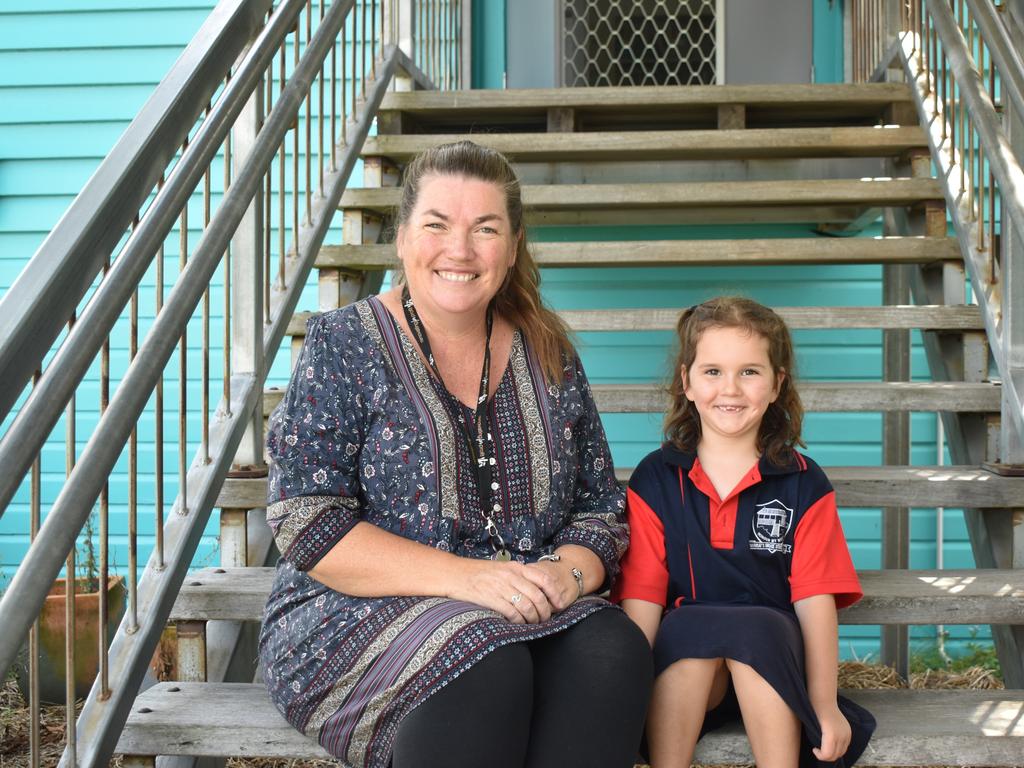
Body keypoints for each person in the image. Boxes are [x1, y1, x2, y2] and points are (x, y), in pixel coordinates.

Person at [258, 140, 652, 768]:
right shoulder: (344, 344)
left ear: (513, 245)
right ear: (404, 238)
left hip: (531, 602)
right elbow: (308, 523)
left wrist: (566, 574)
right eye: (437, 225)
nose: (460, 250)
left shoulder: (548, 352)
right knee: (481, 662)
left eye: (485, 228)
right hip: (362, 614)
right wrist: (471, 581)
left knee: (613, 651)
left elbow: (600, 510)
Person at [613, 297, 875, 768]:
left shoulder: (802, 481)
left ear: (777, 385)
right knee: (688, 625)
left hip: (774, 666)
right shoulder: (656, 479)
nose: (729, 388)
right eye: (712, 371)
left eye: (749, 372)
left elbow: (814, 601)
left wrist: (826, 704)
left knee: (756, 626)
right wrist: (621, 701)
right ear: (686, 382)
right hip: (691, 675)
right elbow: (644, 600)